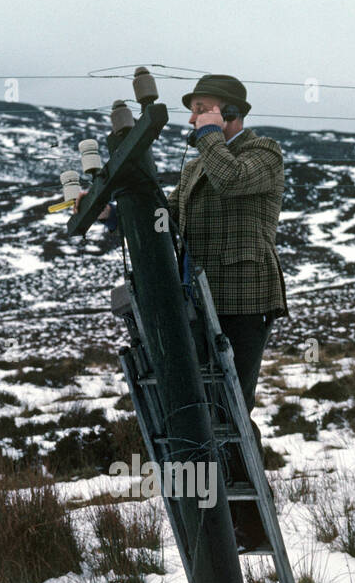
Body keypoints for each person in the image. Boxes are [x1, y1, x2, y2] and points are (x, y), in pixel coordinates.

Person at [80, 73, 288, 550]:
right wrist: (117, 213)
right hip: (199, 299)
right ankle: (223, 514)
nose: (192, 119)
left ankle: (251, 520)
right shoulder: (197, 167)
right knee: (202, 407)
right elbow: (168, 215)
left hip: (243, 297)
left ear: (232, 114)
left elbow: (233, 182)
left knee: (233, 406)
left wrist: (212, 137)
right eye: (194, 110)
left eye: (203, 109)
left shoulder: (264, 154)